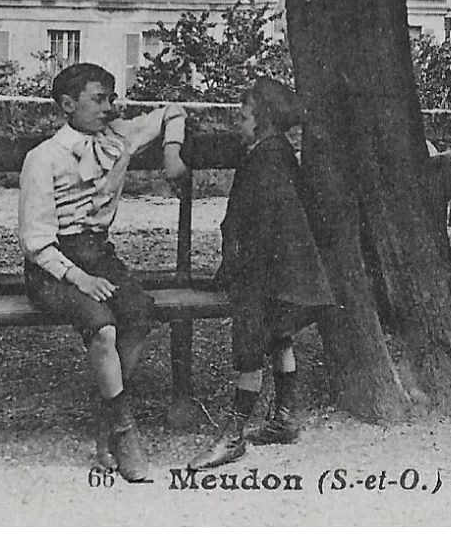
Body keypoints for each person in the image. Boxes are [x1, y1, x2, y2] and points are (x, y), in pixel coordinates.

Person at [19, 62, 188, 483]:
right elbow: (36, 241)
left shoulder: (119, 138)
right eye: (99, 100)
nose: (109, 108)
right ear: (67, 104)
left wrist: (171, 154)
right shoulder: (43, 158)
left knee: (139, 313)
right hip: (54, 267)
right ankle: (125, 431)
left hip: (100, 256)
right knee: (104, 328)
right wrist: (80, 278)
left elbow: (173, 110)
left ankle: (105, 424)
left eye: (112, 98)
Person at [188, 76, 334, 471]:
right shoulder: (274, 151)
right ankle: (286, 417)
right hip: (287, 272)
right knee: (279, 337)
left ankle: (233, 435)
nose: (238, 121)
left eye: (244, 115)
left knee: (250, 346)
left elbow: (260, 227)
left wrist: (237, 270)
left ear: (264, 119)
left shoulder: (268, 161)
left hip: (268, 272)